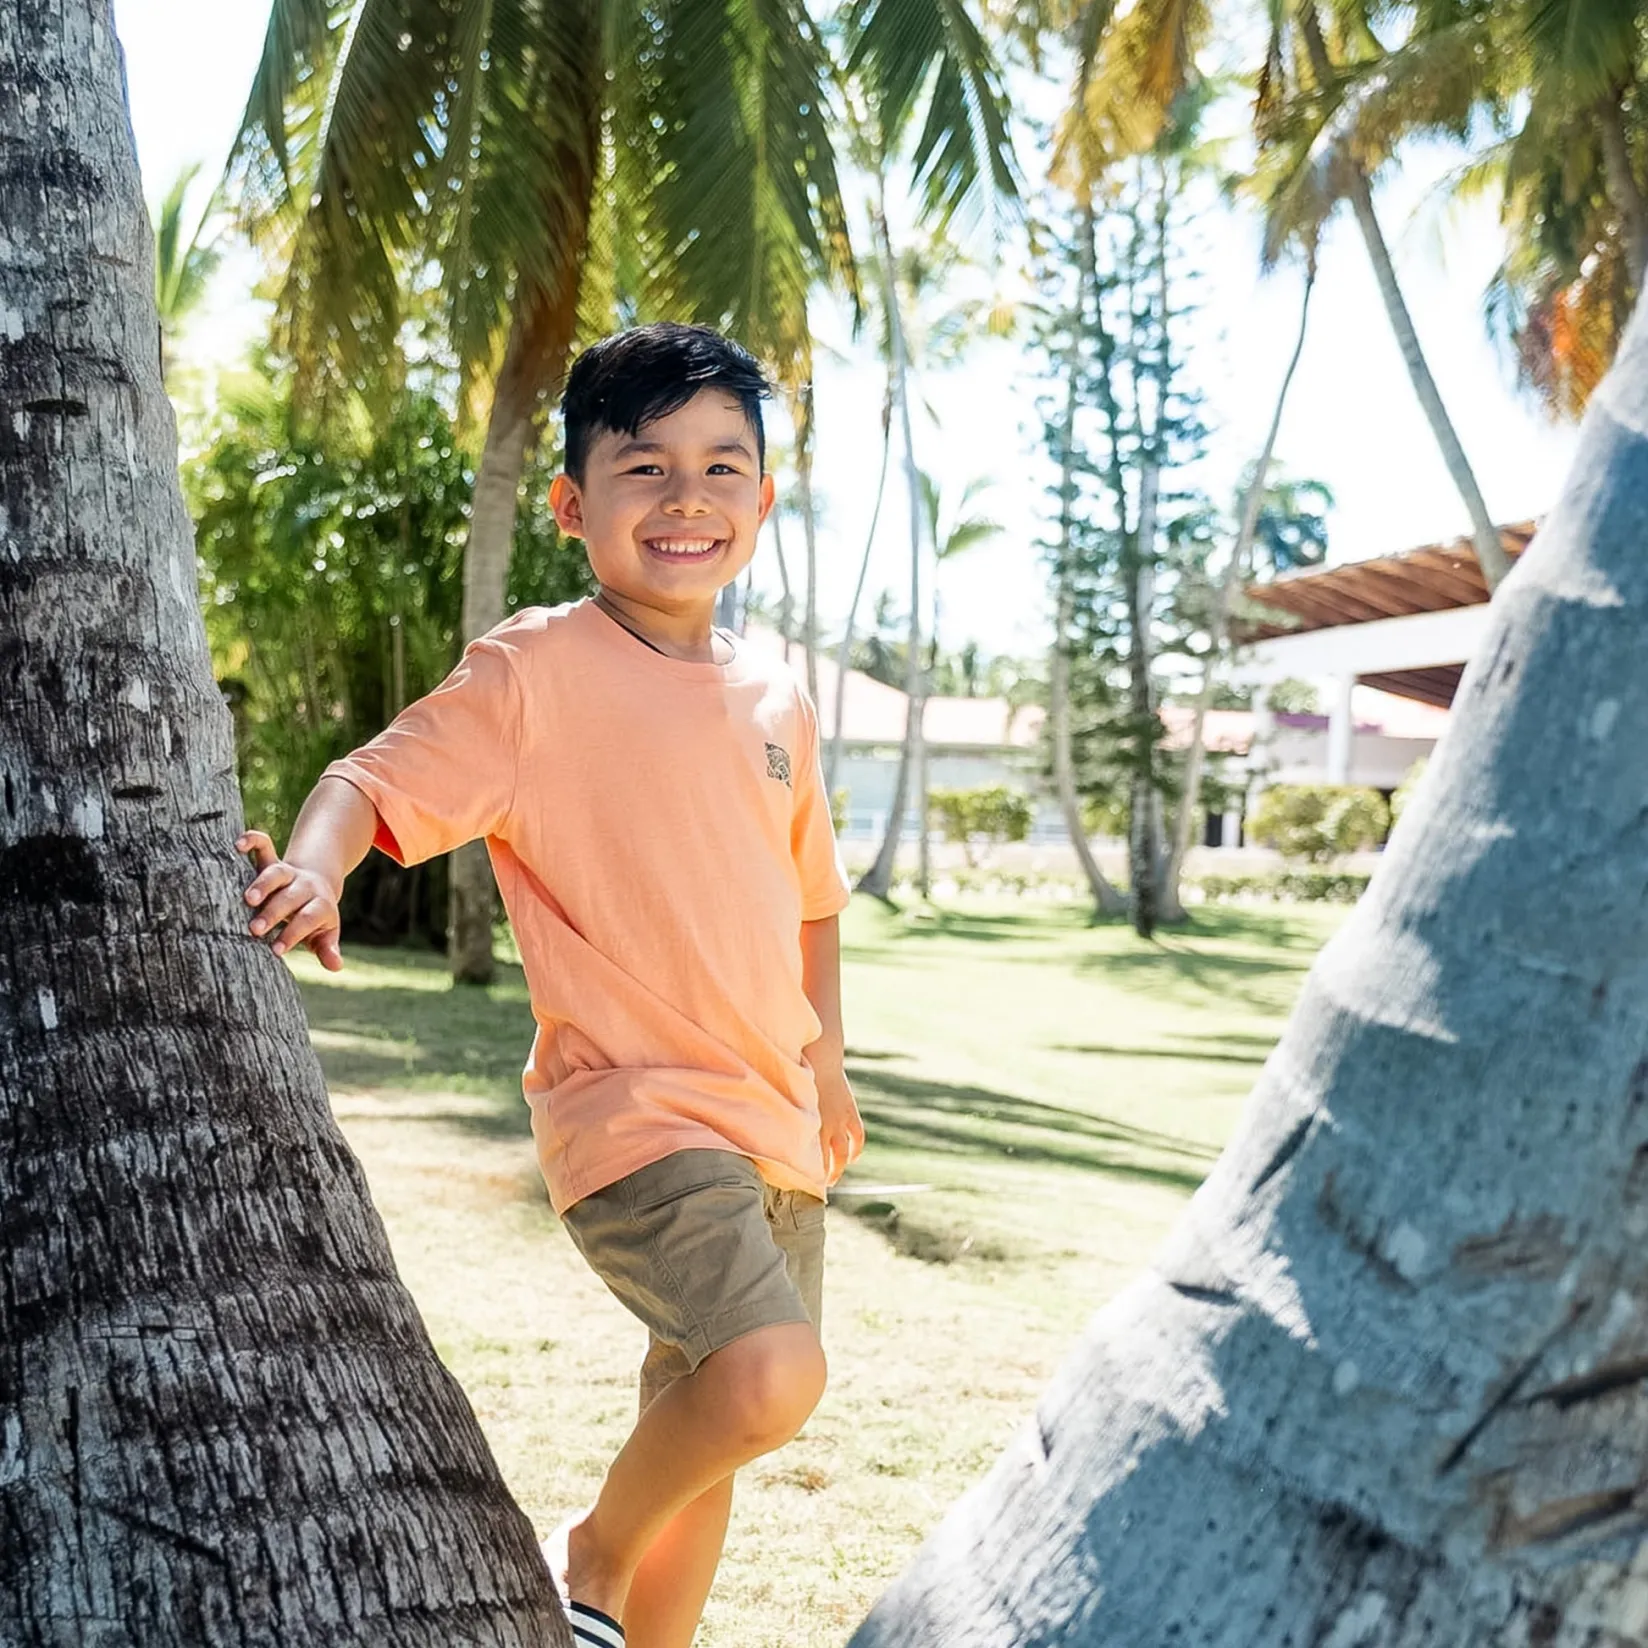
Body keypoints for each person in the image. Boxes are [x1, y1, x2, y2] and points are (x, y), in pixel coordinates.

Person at [234, 323, 864, 1648]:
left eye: (722, 466)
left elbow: (812, 900)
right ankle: (585, 1553)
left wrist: (830, 1068)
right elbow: (368, 780)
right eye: (644, 469)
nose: (686, 497)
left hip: (776, 1128)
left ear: (762, 496)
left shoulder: (775, 695)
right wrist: (315, 865)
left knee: (703, 1434)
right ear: (574, 506)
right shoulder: (535, 672)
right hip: (637, 1119)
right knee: (767, 1375)